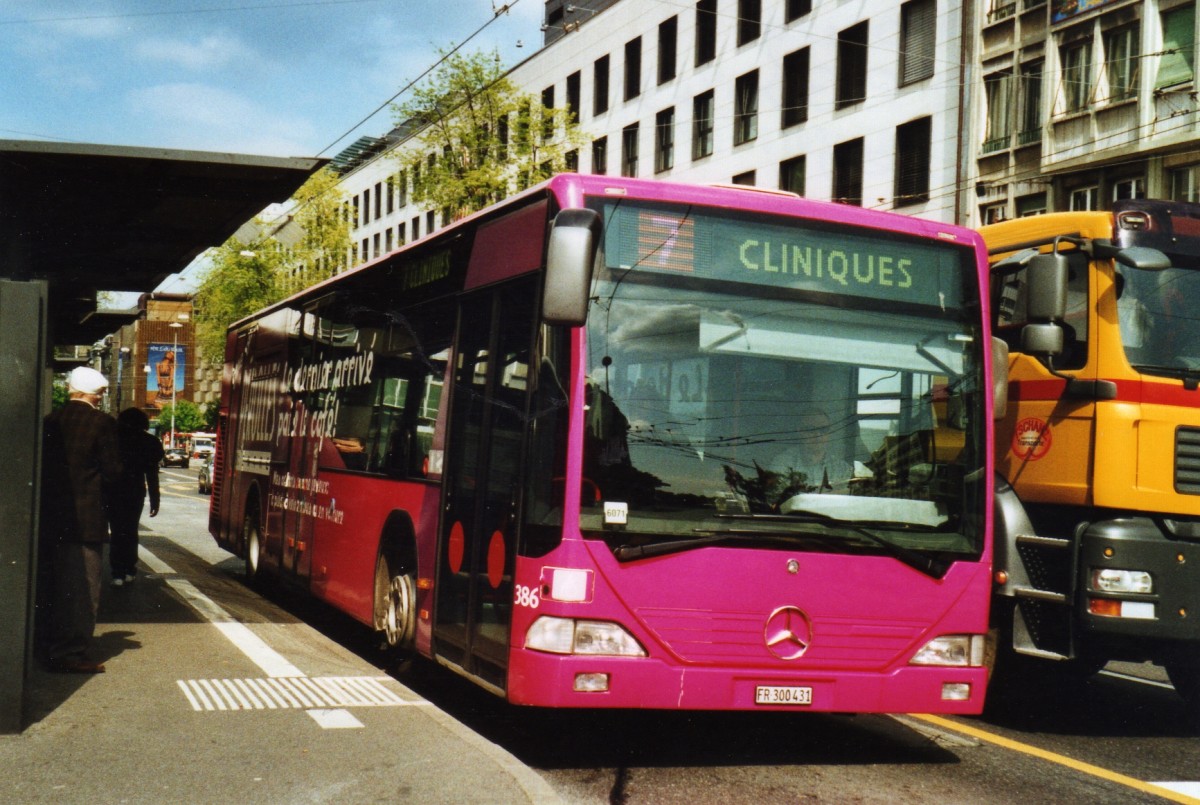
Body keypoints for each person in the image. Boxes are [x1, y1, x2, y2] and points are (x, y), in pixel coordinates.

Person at [38, 366, 122, 673]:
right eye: (100, 394)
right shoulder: (102, 423)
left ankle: (48, 646)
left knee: (53, 584)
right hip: (86, 519)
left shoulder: (50, 421)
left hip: (50, 518)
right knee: (84, 589)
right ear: (95, 393)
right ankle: (71, 653)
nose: (100, 398)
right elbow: (113, 471)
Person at [108, 407, 163, 587]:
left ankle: (117, 572)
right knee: (131, 530)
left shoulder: (114, 440)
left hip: (114, 490)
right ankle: (130, 569)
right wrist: (155, 500)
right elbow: (152, 475)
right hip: (135, 491)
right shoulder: (150, 442)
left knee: (116, 531)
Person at [766, 409, 855, 498]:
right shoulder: (783, 463)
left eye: (823, 430)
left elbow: (849, 501)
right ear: (800, 431)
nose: (817, 435)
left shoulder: (841, 469)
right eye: (811, 430)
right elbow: (774, 499)